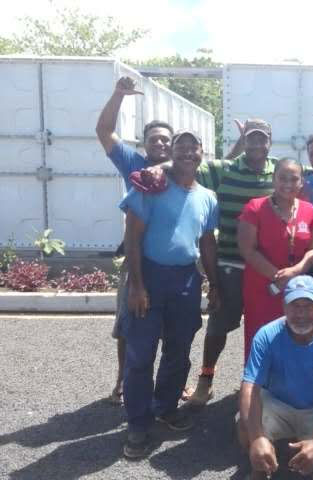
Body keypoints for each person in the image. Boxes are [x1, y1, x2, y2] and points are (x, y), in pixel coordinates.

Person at [119, 130, 220, 459]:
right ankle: (138, 423)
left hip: (186, 280)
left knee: (179, 350)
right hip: (149, 275)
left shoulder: (207, 197)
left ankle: (165, 407)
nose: (188, 152)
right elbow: (133, 236)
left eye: (194, 147)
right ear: (171, 153)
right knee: (140, 354)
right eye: (181, 147)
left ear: (202, 153)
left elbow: (207, 243)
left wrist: (214, 283)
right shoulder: (152, 185)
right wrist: (136, 285)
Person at [187, 118, 279, 405]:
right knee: (218, 326)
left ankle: (261, 381)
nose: (257, 143)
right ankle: (206, 379)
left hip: (266, 268)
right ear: (243, 141)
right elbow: (186, 170)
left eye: (262, 138)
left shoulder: (281, 171)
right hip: (231, 266)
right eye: (251, 138)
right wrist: (155, 169)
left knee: (267, 328)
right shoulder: (224, 170)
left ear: (270, 142)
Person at [95, 76, 173, 405]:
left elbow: (219, 167)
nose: (160, 144)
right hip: (137, 259)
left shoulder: (182, 171)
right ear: (145, 144)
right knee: (129, 323)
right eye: (154, 140)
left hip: (171, 264)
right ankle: (123, 380)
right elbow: (104, 131)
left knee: (172, 328)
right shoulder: (134, 165)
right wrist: (118, 95)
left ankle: (171, 383)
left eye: (166, 140)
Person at [238, 275, 313, 480]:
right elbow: (250, 388)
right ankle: (262, 463)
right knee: (244, 429)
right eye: (294, 305)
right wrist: (256, 437)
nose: (301, 313)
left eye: (308, 305)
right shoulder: (266, 335)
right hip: (277, 402)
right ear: (284, 306)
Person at [237, 158, 313, 361]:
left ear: (302, 182)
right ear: (273, 179)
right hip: (263, 288)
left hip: (297, 290)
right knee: (260, 338)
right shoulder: (255, 208)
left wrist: (294, 272)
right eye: (282, 178)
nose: (288, 184)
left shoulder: (309, 210)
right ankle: (257, 380)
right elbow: (247, 250)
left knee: (296, 337)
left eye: (294, 179)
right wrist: (278, 277)